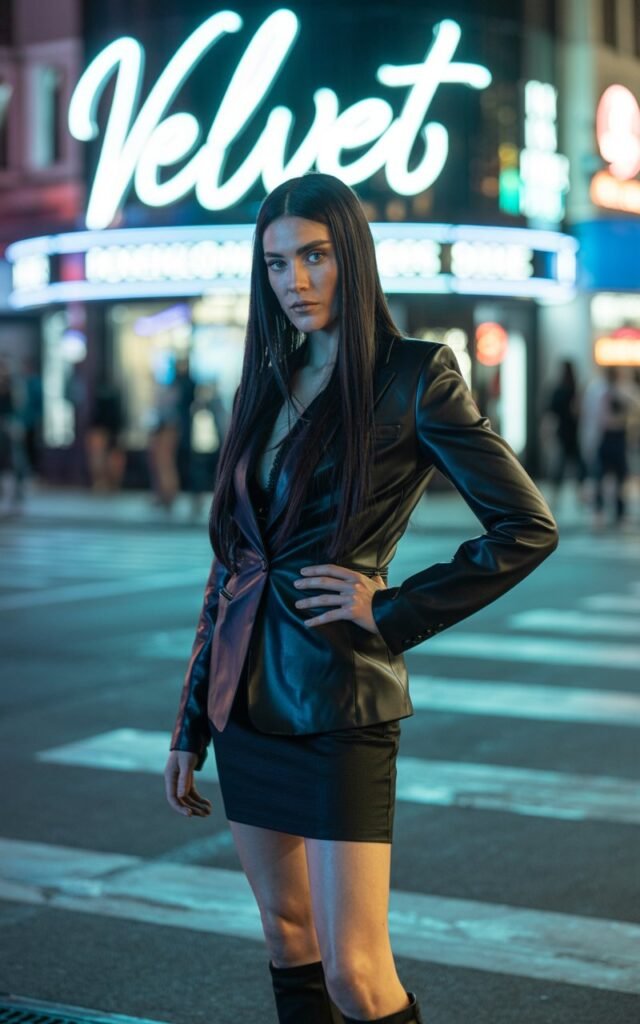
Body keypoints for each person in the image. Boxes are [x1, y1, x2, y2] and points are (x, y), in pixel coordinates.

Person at [164, 173, 559, 1024]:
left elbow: (525, 526)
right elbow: (230, 567)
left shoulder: (414, 377)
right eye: (275, 263)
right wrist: (191, 722)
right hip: (245, 705)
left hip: (341, 697)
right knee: (287, 935)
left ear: (354, 257)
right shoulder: (263, 381)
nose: (293, 281)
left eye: (314, 256)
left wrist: (392, 610)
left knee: (356, 973)